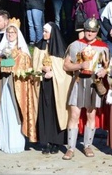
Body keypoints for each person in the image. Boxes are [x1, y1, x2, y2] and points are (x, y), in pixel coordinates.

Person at [0, 19, 37, 153]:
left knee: (14, 114)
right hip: (3, 86)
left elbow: (26, 70)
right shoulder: (2, 51)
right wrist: (1, 64)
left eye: (13, 32)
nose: (10, 34)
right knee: (4, 112)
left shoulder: (23, 53)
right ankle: (4, 143)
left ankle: (16, 144)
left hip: (16, 88)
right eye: (8, 32)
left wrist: (14, 68)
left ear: (17, 34)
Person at [62, 17, 109, 160]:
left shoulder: (103, 47)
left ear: (97, 32)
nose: (90, 33)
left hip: (93, 84)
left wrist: (104, 72)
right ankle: (70, 148)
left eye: (93, 31)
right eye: (88, 30)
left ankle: (87, 145)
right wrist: (80, 66)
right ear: (84, 30)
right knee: (74, 115)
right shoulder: (75, 45)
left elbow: (107, 66)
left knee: (90, 115)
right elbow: (66, 66)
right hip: (77, 82)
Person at [33, 23, 72, 155]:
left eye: (46, 31)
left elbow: (65, 72)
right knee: (45, 112)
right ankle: (46, 141)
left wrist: (54, 73)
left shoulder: (61, 49)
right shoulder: (40, 47)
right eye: (43, 31)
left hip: (57, 87)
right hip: (44, 85)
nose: (43, 34)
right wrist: (42, 69)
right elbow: (35, 65)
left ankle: (56, 142)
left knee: (56, 113)